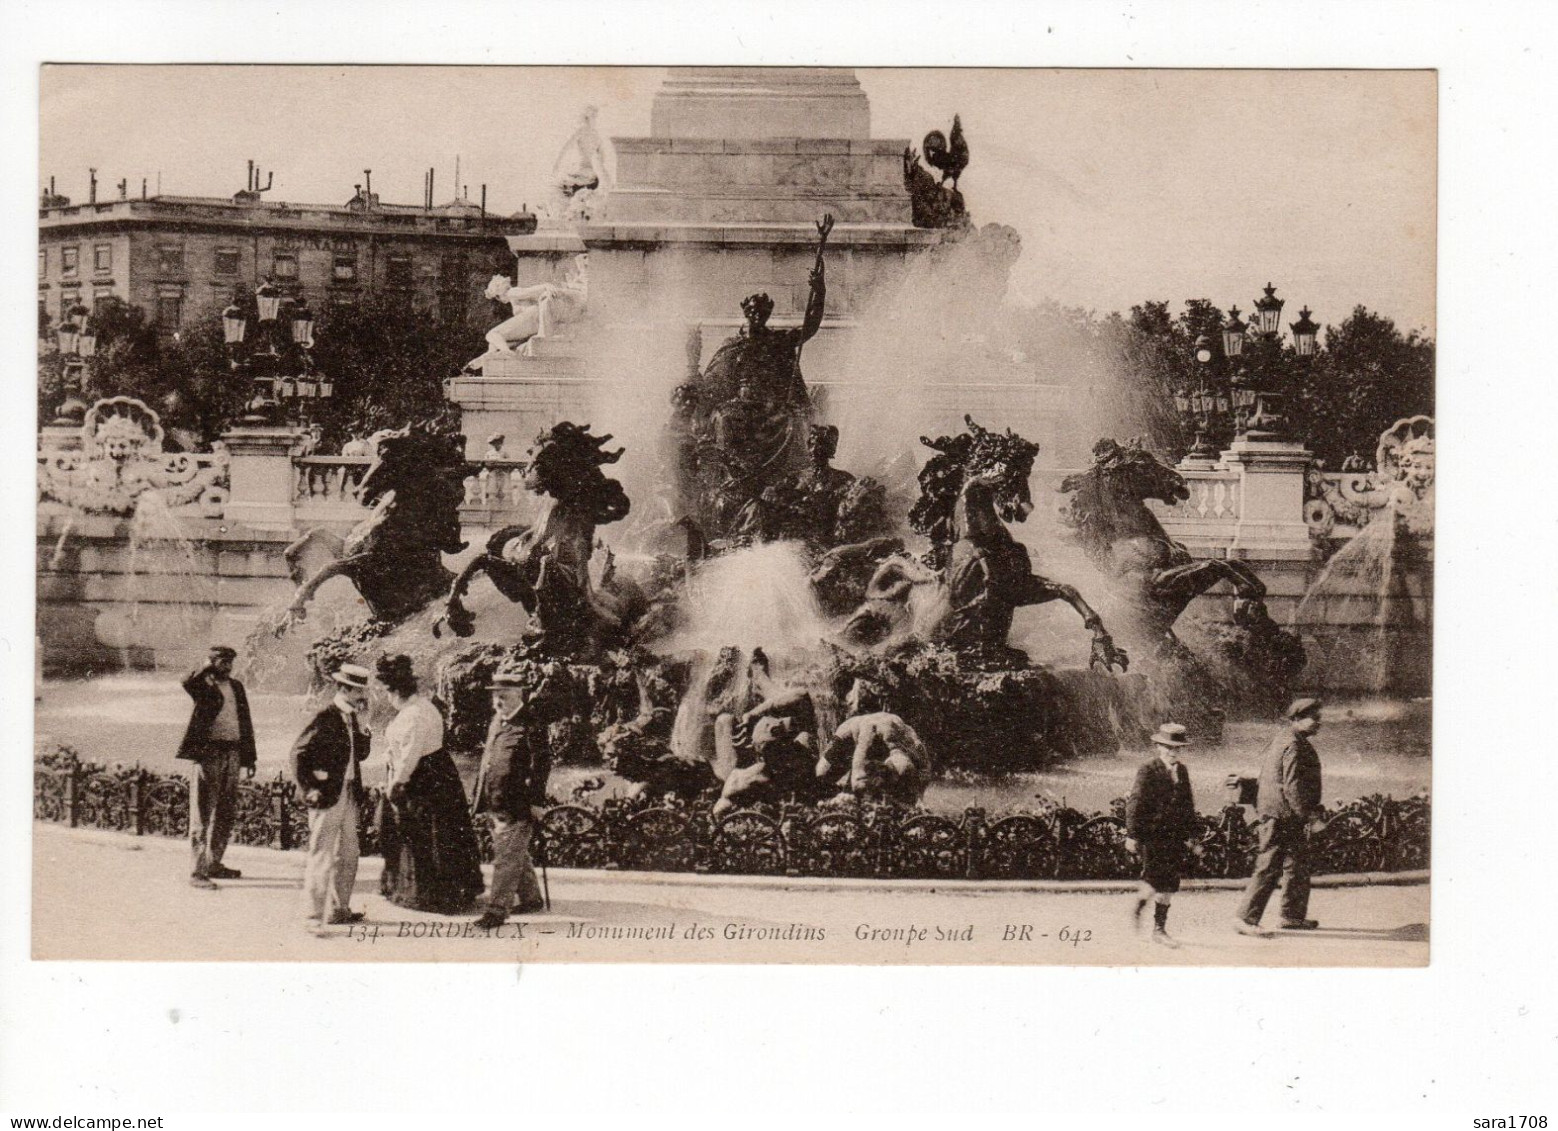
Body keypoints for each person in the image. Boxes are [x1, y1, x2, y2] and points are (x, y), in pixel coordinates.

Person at [374, 655, 484, 915]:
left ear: (397, 691)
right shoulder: (425, 706)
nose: (387, 698)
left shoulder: (414, 715)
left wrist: (396, 783)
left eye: (388, 692)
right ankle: (450, 889)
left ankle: (430, 894)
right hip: (438, 773)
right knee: (442, 833)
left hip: (422, 779)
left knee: (425, 834)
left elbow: (411, 753)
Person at [1235, 698, 1327, 937]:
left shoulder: (1285, 738)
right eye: (1314, 719)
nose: (1319, 723)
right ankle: (1246, 918)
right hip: (1281, 815)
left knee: (1296, 864)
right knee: (1269, 867)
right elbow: (1292, 787)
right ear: (1297, 719)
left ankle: (1291, 916)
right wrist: (1310, 817)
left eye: (1319, 718)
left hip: (1283, 814)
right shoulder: (1294, 745)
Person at [471, 668, 556, 928]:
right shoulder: (497, 721)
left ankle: (497, 910)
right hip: (495, 799)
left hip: (517, 804)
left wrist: (537, 802)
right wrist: (477, 796)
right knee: (514, 852)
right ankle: (531, 899)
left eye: (504, 696)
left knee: (506, 856)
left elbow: (542, 764)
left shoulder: (531, 724)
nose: (498, 701)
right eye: (495, 696)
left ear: (519, 694)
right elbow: (487, 761)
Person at [291, 663, 373, 926]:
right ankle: (314, 914)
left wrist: (363, 726)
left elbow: (360, 755)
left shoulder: (353, 717)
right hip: (327, 794)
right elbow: (298, 754)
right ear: (343, 688)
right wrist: (310, 787)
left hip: (349, 792)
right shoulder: (325, 716)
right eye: (358, 691)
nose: (363, 696)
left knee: (350, 852)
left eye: (363, 690)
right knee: (322, 852)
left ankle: (341, 909)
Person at [176, 645, 257, 889]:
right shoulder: (204, 686)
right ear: (212, 663)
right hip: (209, 753)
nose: (228, 666)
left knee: (226, 810)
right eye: (222, 662)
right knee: (202, 812)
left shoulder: (236, 687)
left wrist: (249, 758)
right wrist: (206, 667)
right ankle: (197, 872)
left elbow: (245, 723)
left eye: (230, 662)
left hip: (233, 752)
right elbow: (186, 681)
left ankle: (214, 863)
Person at [1125, 723, 1203, 948]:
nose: (1173, 752)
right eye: (1168, 747)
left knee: (1169, 883)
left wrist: (1193, 835)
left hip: (1175, 837)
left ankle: (1159, 929)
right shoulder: (1148, 769)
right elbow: (1134, 803)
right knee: (1155, 880)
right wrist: (1132, 835)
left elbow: (1188, 804)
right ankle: (1142, 905)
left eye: (1177, 748)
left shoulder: (1182, 771)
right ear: (1158, 746)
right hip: (1153, 835)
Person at [817, 679, 934, 807]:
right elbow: (858, 767)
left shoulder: (912, 744)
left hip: (887, 745)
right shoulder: (871, 728)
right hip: (849, 734)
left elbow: (924, 772)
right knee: (822, 773)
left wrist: (918, 799)